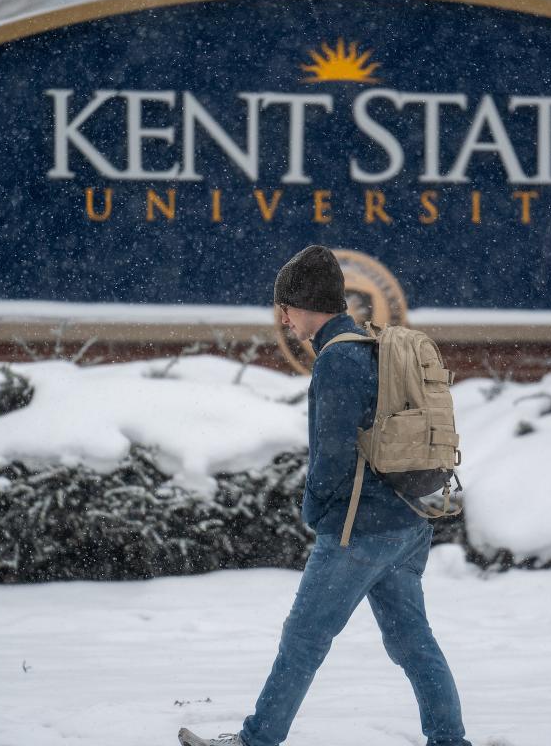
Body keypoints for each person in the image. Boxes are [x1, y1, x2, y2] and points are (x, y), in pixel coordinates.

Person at [179, 245, 472, 746]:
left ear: (305, 305)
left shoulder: (337, 361)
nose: (284, 320)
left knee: (303, 640)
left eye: (285, 308)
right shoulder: (373, 346)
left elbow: (331, 455)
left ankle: (257, 741)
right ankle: (449, 740)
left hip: (359, 531)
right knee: (412, 641)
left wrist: (315, 512)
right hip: (407, 522)